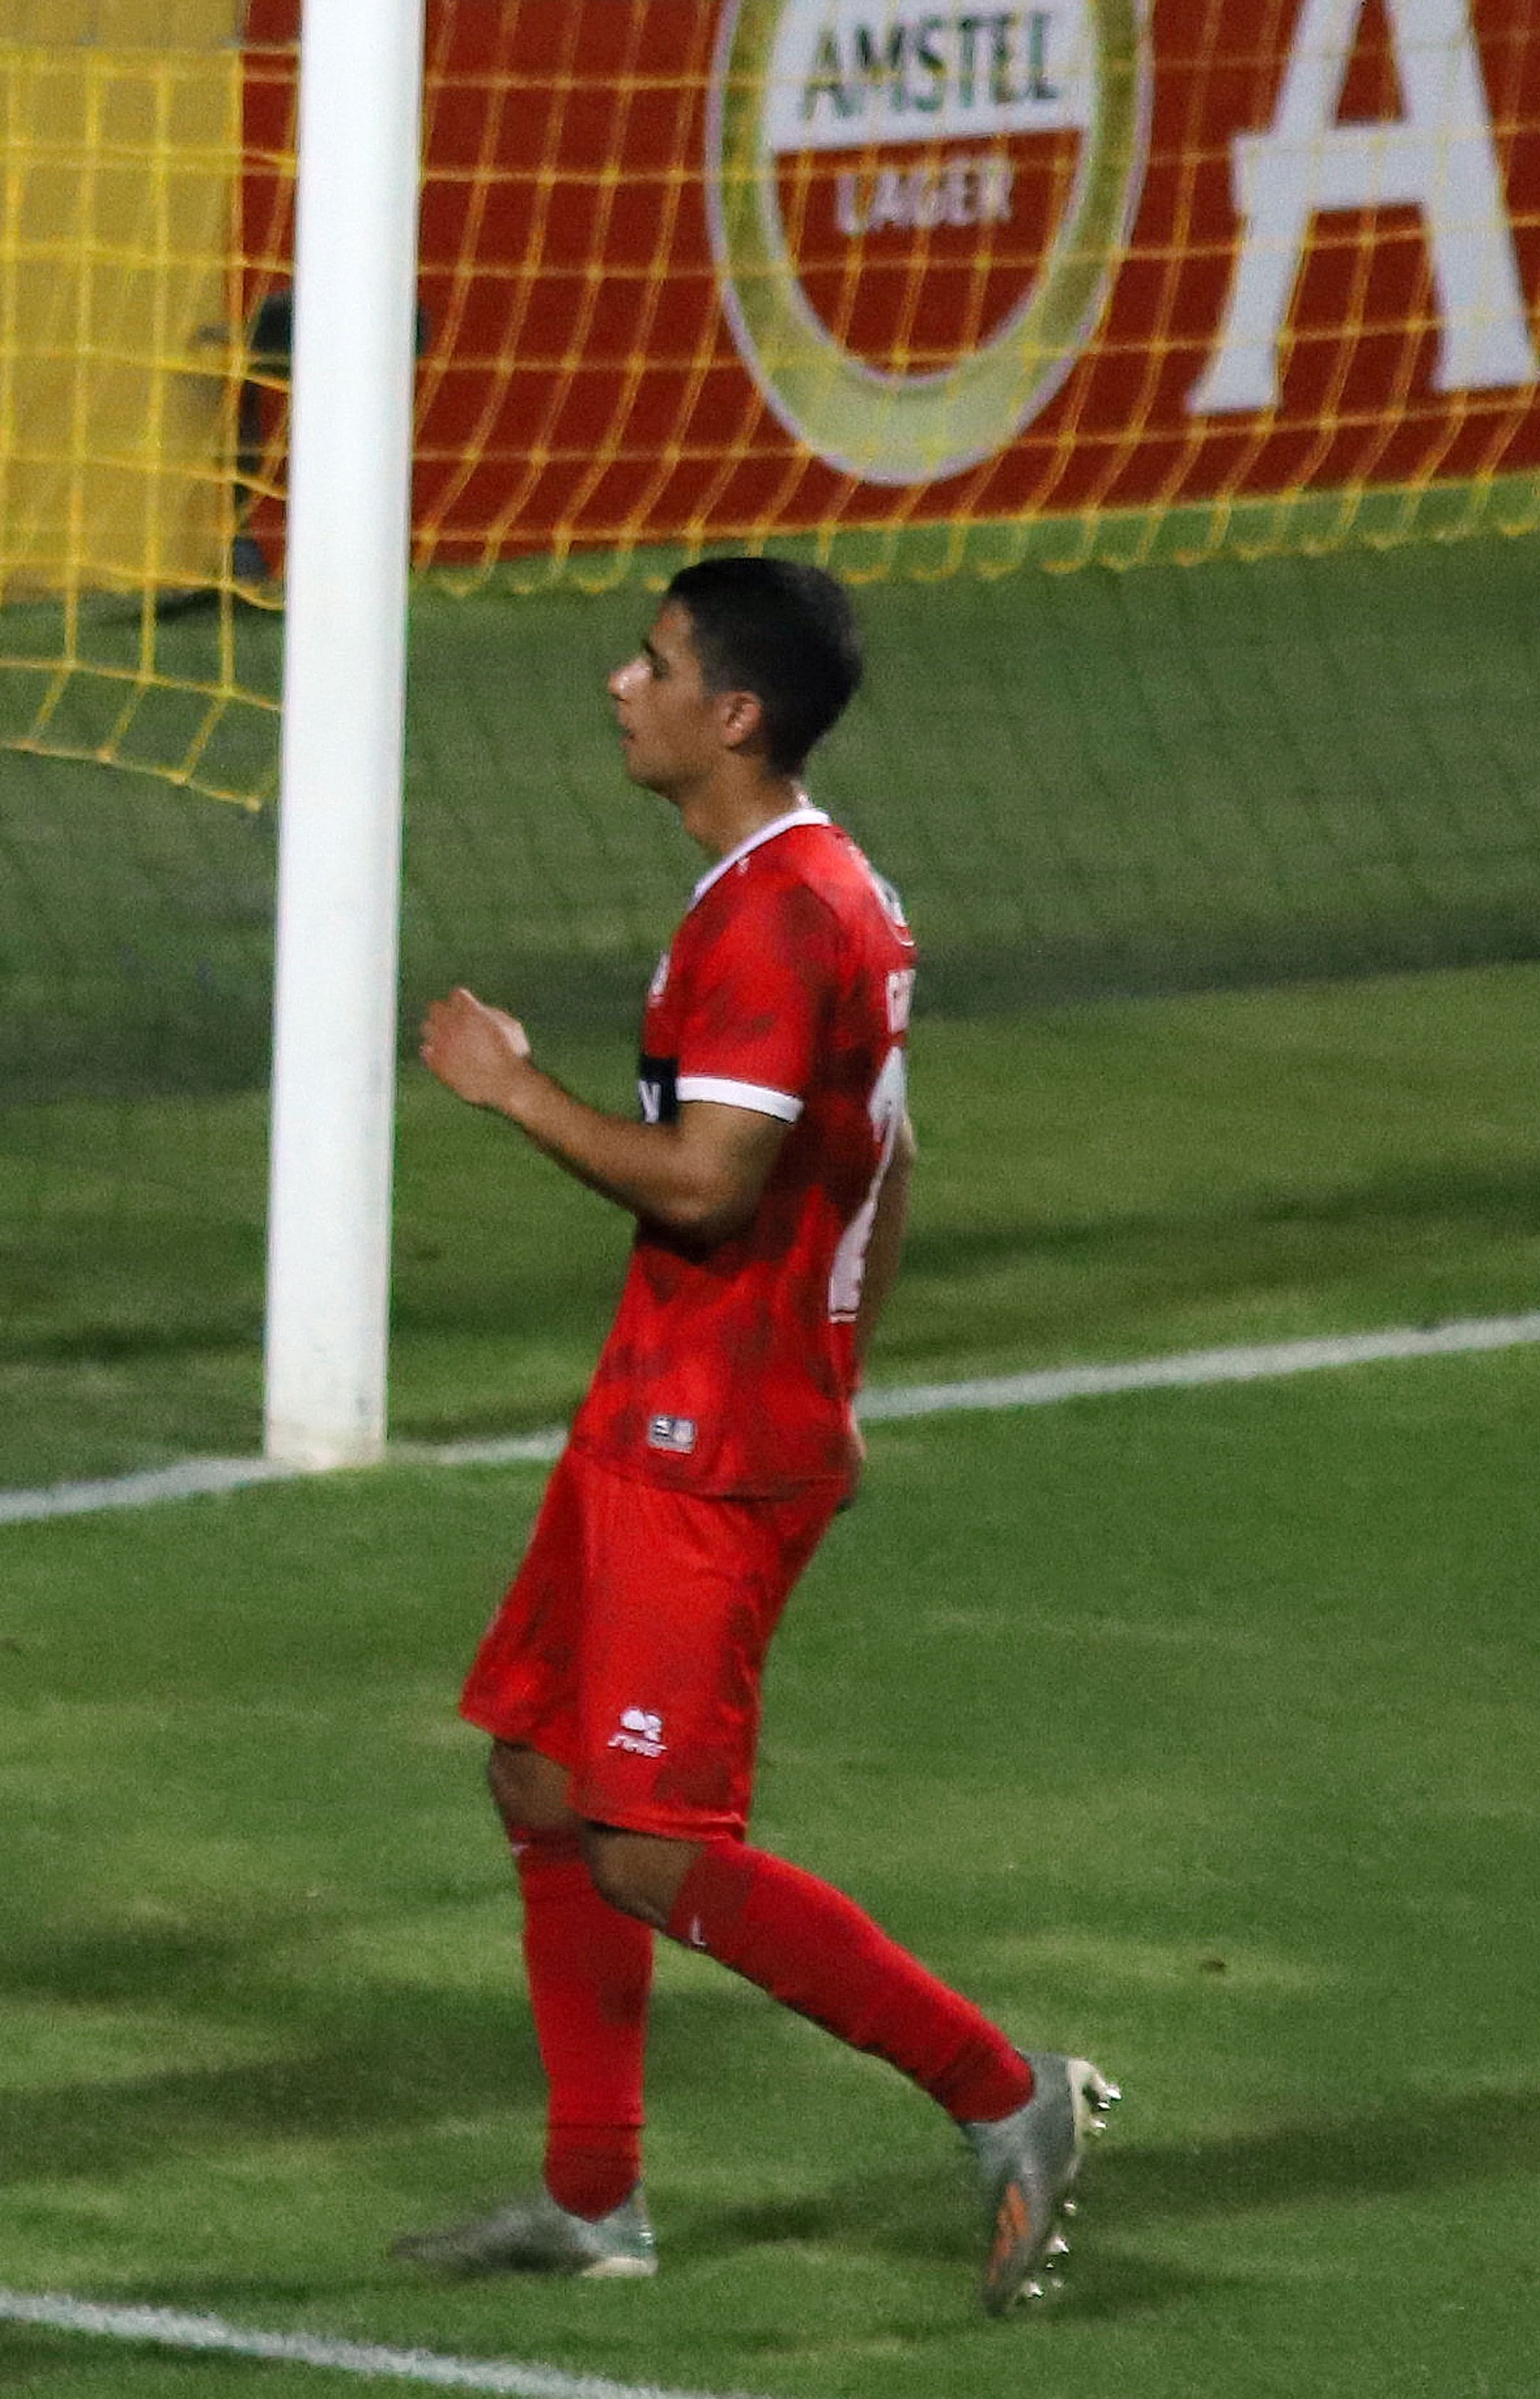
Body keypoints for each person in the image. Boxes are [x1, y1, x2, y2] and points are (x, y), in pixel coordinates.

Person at [403, 557, 1114, 2316]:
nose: (615, 687)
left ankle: (999, 2089)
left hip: (710, 1436)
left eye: (649, 666)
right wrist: (837, 1360)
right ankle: (591, 2198)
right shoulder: (809, 882)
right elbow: (891, 1147)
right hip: (674, 1402)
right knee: (541, 1773)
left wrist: (515, 1091)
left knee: (649, 1838)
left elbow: (714, 1187)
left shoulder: (778, 917)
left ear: (732, 714)